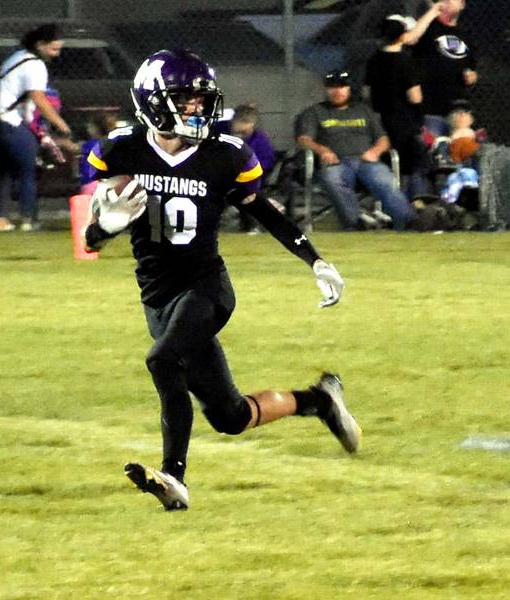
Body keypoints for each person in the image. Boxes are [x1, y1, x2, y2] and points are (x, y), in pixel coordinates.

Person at [83, 49, 361, 511]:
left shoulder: (224, 154)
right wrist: (104, 229)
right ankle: (320, 402)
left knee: (163, 360)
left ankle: (174, 478)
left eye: (201, 99)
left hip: (207, 288)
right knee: (230, 416)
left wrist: (315, 260)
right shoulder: (121, 150)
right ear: (152, 100)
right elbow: (91, 241)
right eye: (186, 100)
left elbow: (265, 212)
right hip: (158, 297)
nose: (197, 108)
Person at [296, 69, 416, 231]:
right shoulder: (314, 112)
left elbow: (383, 138)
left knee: (384, 180)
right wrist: (322, 150)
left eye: (342, 87)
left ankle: (408, 222)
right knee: (332, 179)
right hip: (335, 163)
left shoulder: (363, 110)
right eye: (333, 87)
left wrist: (376, 151)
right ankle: (354, 223)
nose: (338, 91)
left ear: (349, 89)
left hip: (366, 162)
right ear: (326, 89)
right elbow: (304, 139)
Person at [0, 23, 72, 233]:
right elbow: (39, 98)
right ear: (40, 44)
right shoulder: (35, 65)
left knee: (6, 172)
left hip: (1, 122)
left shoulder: (16, 58)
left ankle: (0, 219)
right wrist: (60, 124)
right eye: (53, 49)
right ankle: (28, 218)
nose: (57, 54)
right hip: (15, 123)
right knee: (29, 173)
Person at [365, 14, 434, 200]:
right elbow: (415, 96)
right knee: (414, 164)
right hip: (405, 120)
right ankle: (415, 202)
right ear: (402, 35)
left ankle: (390, 201)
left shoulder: (374, 59)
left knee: (390, 161)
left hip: (381, 118)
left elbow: (366, 91)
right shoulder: (405, 61)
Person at [411, 0, 478, 138]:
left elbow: (471, 67)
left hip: (457, 109)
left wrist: (472, 77)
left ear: (462, 4)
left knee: (462, 151)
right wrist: (433, 11)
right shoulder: (428, 28)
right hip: (430, 107)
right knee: (433, 151)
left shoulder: (466, 34)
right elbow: (411, 38)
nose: (447, 2)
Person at [214, 104, 278, 232]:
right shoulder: (217, 130)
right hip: (216, 175)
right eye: (236, 130)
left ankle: (251, 226)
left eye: (244, 131)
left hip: (246, 178)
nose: (239, 134)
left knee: (246, 192)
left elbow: (265, 164)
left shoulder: (260, 140)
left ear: (252, 125)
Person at [78, 111, 120, 195]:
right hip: (112, 183)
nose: (88, 128)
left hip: (91, 184)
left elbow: (74, 148)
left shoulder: (91, 144)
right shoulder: (114, 143)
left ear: (96, 128)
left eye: (90, 126)